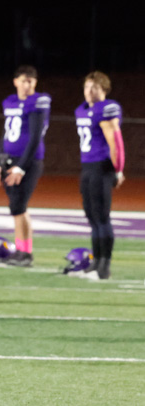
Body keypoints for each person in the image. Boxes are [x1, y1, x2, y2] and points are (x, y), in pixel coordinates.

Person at [0, 65, 50, 267]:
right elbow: (6, 131)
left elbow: (35, 137)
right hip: (9, 159)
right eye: (23, 80)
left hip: (26, 162)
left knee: (18, 207)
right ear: (15, 81)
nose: (27, 84)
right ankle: (24, 251)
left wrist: (21, 166)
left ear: (34, 83)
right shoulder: (10, 102)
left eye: (30, 81)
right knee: (19, 208)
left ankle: (23, 252)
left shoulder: (38, 102)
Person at [73, 71, 125, 280]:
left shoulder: (107, 109)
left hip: (102, 167)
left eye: (94, 87)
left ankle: (105, 264)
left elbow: (115, 142)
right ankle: (96, 261)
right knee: (92, 216)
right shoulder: (82, 110)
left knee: (102, 217)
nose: (89, 91)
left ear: (103, 89)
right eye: (87, 87)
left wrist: (118, 168)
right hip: (87, 167)